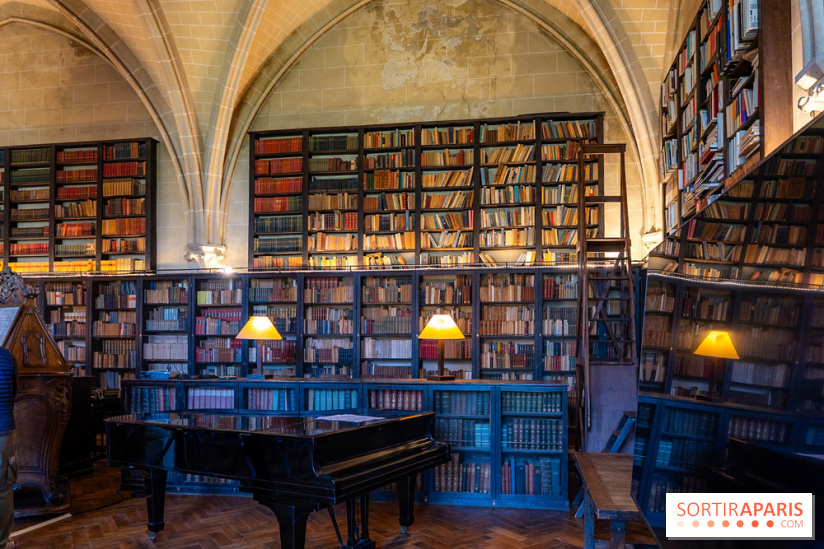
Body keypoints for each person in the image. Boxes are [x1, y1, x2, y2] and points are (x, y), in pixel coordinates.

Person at [0, 346, 17, 549]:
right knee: (3, 489)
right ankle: (2, 542)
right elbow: (14, 393)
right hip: (3, 430)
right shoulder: (6, 357)